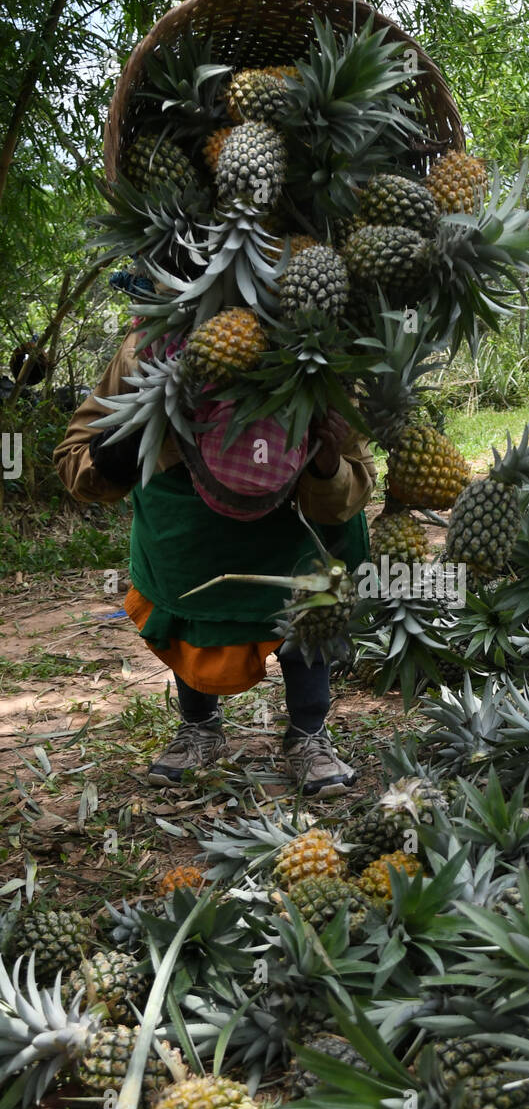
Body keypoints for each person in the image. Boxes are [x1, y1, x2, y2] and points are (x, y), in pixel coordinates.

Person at [54, 325, 376, 796]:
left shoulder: (327, 346)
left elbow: (356, 482)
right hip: (189, 527)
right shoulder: (151, 344)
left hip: (295, 520)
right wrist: (134, 433)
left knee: (313, 598)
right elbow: (76, 460)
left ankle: (309, 733)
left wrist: (327, 461)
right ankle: (199, 726)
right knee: (189, 607)